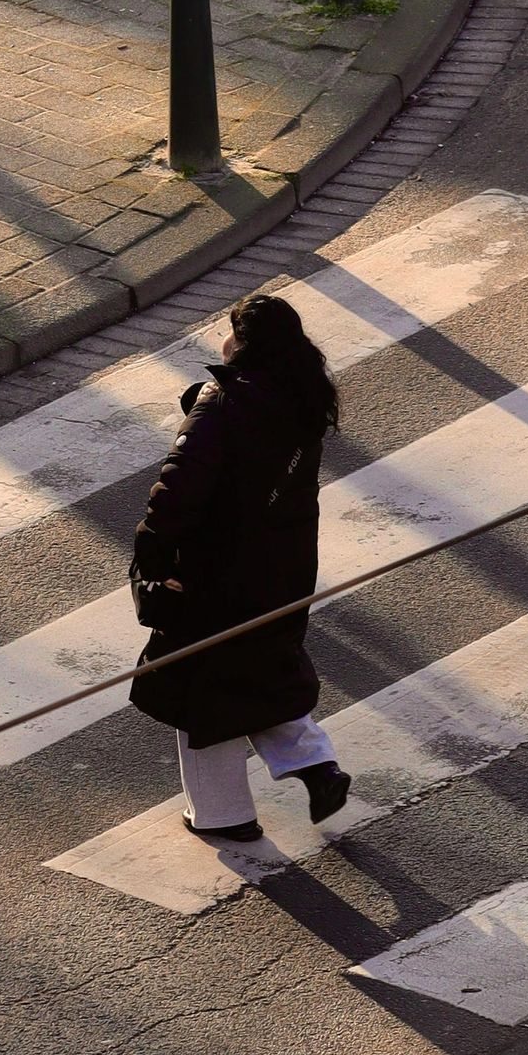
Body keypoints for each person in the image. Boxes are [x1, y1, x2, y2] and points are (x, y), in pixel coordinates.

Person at [129, 291, 351, 842]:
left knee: (199, 687)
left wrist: (152, 552)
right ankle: (317, 765)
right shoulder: (301, 397)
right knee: (257, 665)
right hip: (283, 566)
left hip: (216, 567)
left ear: (244, 342)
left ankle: (222, 813)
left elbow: (178, 486)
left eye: (227, 331)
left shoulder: (224, 401)